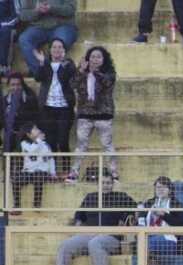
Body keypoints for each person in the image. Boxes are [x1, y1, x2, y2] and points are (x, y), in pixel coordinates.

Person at [48, 173, 138, 265]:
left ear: (113, 184)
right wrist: (76, 233)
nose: (105, 185)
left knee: (95, 243)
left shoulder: (120, 197)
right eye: (102, 183)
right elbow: (79, 218)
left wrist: (126, 224)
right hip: (89, 235)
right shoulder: (90, 197)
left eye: (108, 183)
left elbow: (136, 209)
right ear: (98, 184)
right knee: (66, 245)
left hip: (111, 237)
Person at [67, 46, 119, 183]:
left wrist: (94, 72)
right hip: (85, 114)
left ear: (104, 59)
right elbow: (72, 84)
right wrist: (81, 71)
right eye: (92, 57)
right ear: (88, 58)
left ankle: (114, 174)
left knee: (107, 145)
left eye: (98, 57)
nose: (95, 59)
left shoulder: (109, 73)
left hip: (103, 115)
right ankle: (74, 173)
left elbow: (107, 83)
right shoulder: (82, 72)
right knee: (81, 145)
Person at [33, 38, 76, 174]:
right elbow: (38, 77)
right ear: (50, 50)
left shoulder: (68, 64)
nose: (57, 50)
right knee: (50, 142)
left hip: (64, 108)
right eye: (54, 47)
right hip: (47, 108)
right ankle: (52, 171)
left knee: (63, 141)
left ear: (64, 50)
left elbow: (67, 77)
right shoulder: (45, 63)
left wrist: (61, 63)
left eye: (60, 47)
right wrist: (41, 63)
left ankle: (66, 171)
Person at [17, 0, 77, 76]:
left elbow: (70, 10)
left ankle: (55, 70)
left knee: (60, 42)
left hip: (62, 25)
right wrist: (37, 11)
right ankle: (40, 72)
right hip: (38, 27)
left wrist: (51, 8)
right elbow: (23, 15)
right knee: (24, 39)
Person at [138, 176, 183, 256]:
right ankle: (152, 260)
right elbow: (141, 221)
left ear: (170, 190)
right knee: (140, 242)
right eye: (158, 187)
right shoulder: (149, 203)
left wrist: (164, 215)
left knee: (148, 244)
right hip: (148, 235)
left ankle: (149, 259)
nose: (160, 190)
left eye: (164, 187)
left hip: (167, 237)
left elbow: (182, 223)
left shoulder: (176, 204)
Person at [11, 122, 55, 212]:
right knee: (16, 181)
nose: (38, 130)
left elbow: (51, 159)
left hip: (42, 172)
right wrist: (39, 140)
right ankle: (17, 206)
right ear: (28, 134)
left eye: (37, 128)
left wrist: (53, 173)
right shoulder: (24, 144)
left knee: (38, 177)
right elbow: (32, 151)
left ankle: (37, 204)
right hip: (28, 172)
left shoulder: (45, 144)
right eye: (35, 129)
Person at [1, 72, 39, 154]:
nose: (16, 87)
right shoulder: (4, 101)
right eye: (13, 85)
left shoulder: (30, 99)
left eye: (18, 84)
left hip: (26, 135)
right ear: (8, 86)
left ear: (22, 85)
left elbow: (36, 117)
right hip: (9, 135)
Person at [0, 0, 17, 74]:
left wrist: (2, 24)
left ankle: (4, 66)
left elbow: (16, 16)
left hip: (7, 25)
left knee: (6, 32)